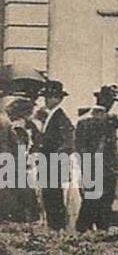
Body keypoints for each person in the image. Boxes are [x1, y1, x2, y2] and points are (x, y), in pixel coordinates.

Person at [75, 90, 118, 232]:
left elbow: (79, 146)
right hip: (108, 167)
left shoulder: (83, 120)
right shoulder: (110, 120)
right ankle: (101, 230)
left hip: (91, 165)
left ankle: (83, 230)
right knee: (105, 201)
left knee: (90, 200)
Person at [35, 81, 75, 230]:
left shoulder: (60, 117)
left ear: (59, 99)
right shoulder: (50, 117)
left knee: (54, 197)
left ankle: (57, 227)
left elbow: (68, 142)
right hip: (48, 163)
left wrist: (56, 158)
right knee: (49, 196)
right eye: (46, 96)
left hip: (53, 164)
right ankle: (54, 227)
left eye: (51, 96)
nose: (47, 100)